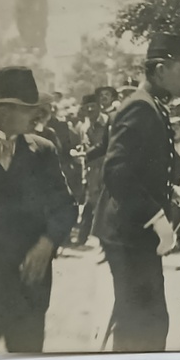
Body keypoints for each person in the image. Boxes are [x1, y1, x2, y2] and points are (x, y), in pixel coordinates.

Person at [93, 33, 180, 352]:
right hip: (129, 231)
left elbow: (142, 169)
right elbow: (117, 171)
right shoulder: (139, 106)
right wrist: (157, 218)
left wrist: (175, 193)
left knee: (146, 320)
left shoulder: (153, 105)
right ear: (161, 69)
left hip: (135, 228)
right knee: (143, 325)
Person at [0, 67, 77, 352]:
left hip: (29, 290)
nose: (36, 117)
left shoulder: (44, 151)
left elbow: (66, 207)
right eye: (28, 110)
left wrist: (47, 243)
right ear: (4, 111)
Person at [75, 94, 109, 246]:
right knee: (91, 204)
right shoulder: (84, 127)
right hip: (91, 172)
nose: (90, 110)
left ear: (99, 106)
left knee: (106, 206)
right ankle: (83, 238)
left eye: (92, 106)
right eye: (86, 107)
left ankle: (105, 242)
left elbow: (105, 146)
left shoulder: (108, 123)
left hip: (106, 170)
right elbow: (85, 147)